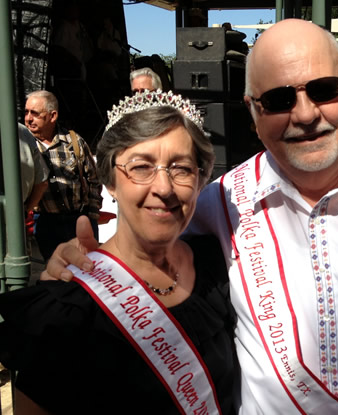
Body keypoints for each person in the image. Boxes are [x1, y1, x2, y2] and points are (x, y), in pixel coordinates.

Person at [46, 19, 338, 414]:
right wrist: (76, 261)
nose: (305, 113)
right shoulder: (221, 202)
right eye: (277, 100)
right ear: (253, 113)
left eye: (324, 89)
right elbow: (140, 248)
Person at [0, 91, 238, 414]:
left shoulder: (215, 264)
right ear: (110, 182)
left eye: (181, 168)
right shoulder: (67, 309)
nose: (164, 188)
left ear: (200, 178)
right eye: (141, 167)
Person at [24, 90, 102, 261]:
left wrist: (91, 217)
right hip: (46, 223)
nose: (28, 118)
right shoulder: (24, 146)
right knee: (57, 274)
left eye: (35, 113)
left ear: (52, 116)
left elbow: (94, 181)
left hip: (78, 220)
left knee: (86, 270)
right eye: (26, 112)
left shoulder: (74, 142)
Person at [17, 123, 49, 214]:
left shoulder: (23, 131)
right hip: (17, 213)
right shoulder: (22, 131)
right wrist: (26, 211)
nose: (29, 118)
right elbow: (42, 182)